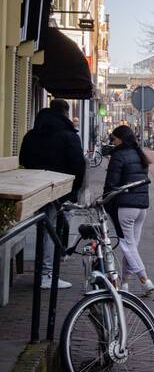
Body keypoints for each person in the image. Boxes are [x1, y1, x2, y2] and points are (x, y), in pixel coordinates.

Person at [18, 99, 86, 289]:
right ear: (66, 113)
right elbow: (78, 166)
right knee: (52, 230)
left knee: (42, 228)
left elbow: (23, 159)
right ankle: (46, 274)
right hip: (57, 191)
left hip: (35, 189)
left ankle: (44, 272)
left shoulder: (31, 135)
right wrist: (73, 192)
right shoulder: (68, 136)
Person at [104, 125, 154, 296]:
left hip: (125, 207)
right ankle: (124, 283)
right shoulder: (140, 155)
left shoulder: (118, 155)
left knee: (127, 245)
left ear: (120, 139)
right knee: (131, 247)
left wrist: (106, 202)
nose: (112, 142)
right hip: (141, 208)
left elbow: (111, 184)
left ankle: (144, 279)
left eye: (113, 139)